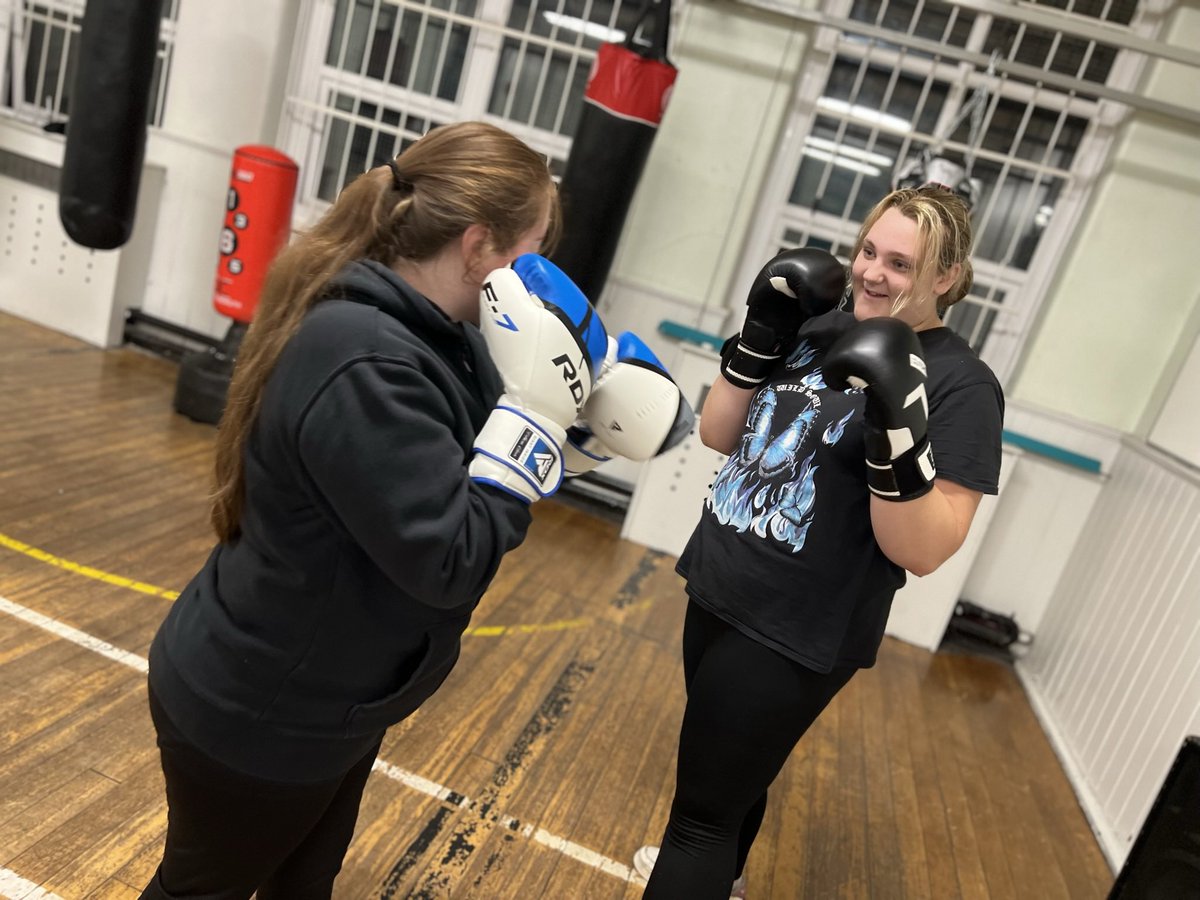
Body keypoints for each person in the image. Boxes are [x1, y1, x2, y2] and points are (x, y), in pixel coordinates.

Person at [139, 121, 690, 900]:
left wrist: (579, 437)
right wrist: (534, 414)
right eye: (530, 250)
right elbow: (450, 555)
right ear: (476, 247)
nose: (539, 276)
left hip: (331, 696)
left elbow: (461, 474)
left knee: (305, 880)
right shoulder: (365, 357)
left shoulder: (442, 342)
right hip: (262, 711)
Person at [633, 185, 1005, 899]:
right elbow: (718, 433)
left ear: (946, 278)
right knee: (737, 776)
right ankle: (727, 881)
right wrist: (760, 332)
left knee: (698, 822)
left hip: (796, 624)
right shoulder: (818, 326)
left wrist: (895, 418)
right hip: (722, 579)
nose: (871, 273)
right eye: (869, 250)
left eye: (900, 263)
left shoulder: (961, 384)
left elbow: (925, 549)